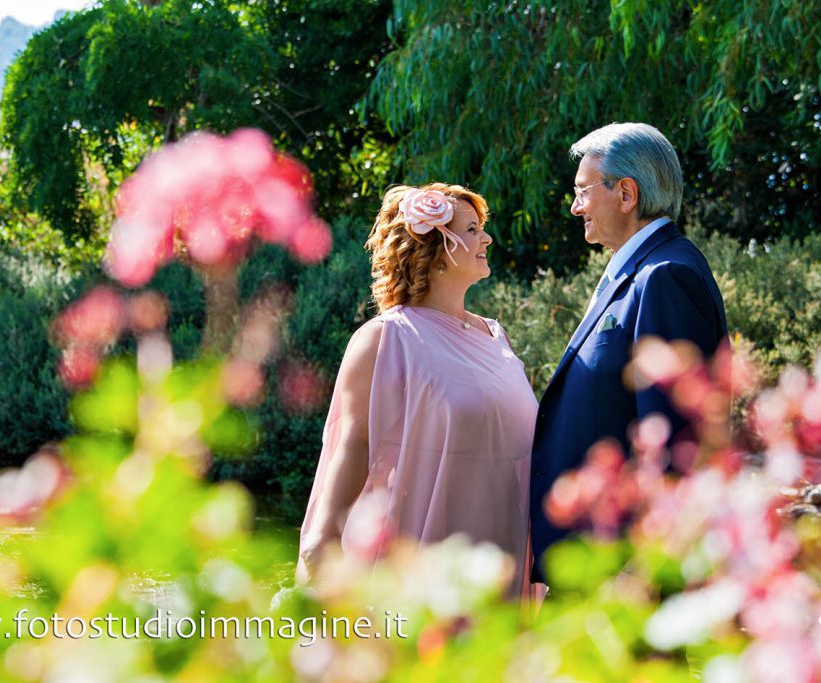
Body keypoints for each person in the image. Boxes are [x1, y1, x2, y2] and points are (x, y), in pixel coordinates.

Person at [297, 183, 538, 596]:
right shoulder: (385, 339)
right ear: (436, 250)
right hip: (424, 552)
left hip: (501, 549)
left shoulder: (496, 337)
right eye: (471, 229)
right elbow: (353, 448)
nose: (487, 238)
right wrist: (321, 543)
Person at [529, 123, 729, 583]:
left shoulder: (665, 277)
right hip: (595, 564)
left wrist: (647, 573)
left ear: (626, 194)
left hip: (622, 573)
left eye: (582, 191)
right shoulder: (640, 271)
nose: (575, 206)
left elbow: (676, 439)